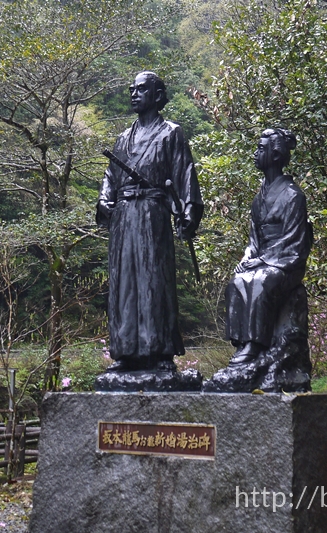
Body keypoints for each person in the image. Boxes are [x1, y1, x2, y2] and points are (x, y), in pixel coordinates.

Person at [97, 72, 203, 372]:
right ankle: (125, 353)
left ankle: (158, 352)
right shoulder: (122, 138)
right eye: (132, 89)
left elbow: (184, 174)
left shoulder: (171, 132)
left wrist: (188, 212)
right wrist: (105, 198)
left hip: (153, 214)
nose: (134, 94)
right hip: (123, 217)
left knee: (153, 279)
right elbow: (110, 176)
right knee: (124, 283)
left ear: (157, 96)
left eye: (141, 89)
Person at [225, 128, 312, 365]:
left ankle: (255, 344)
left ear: (275, 155)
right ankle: (241, 342)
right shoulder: (258, 198)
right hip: (264, 258)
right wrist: (248, 256)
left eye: (260, 149)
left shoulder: (293, 196)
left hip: (286, 261)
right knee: (237, 281)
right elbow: (254, 238)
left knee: (261, 281)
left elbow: (295, 239)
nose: (255, 154)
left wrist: (263, 260)